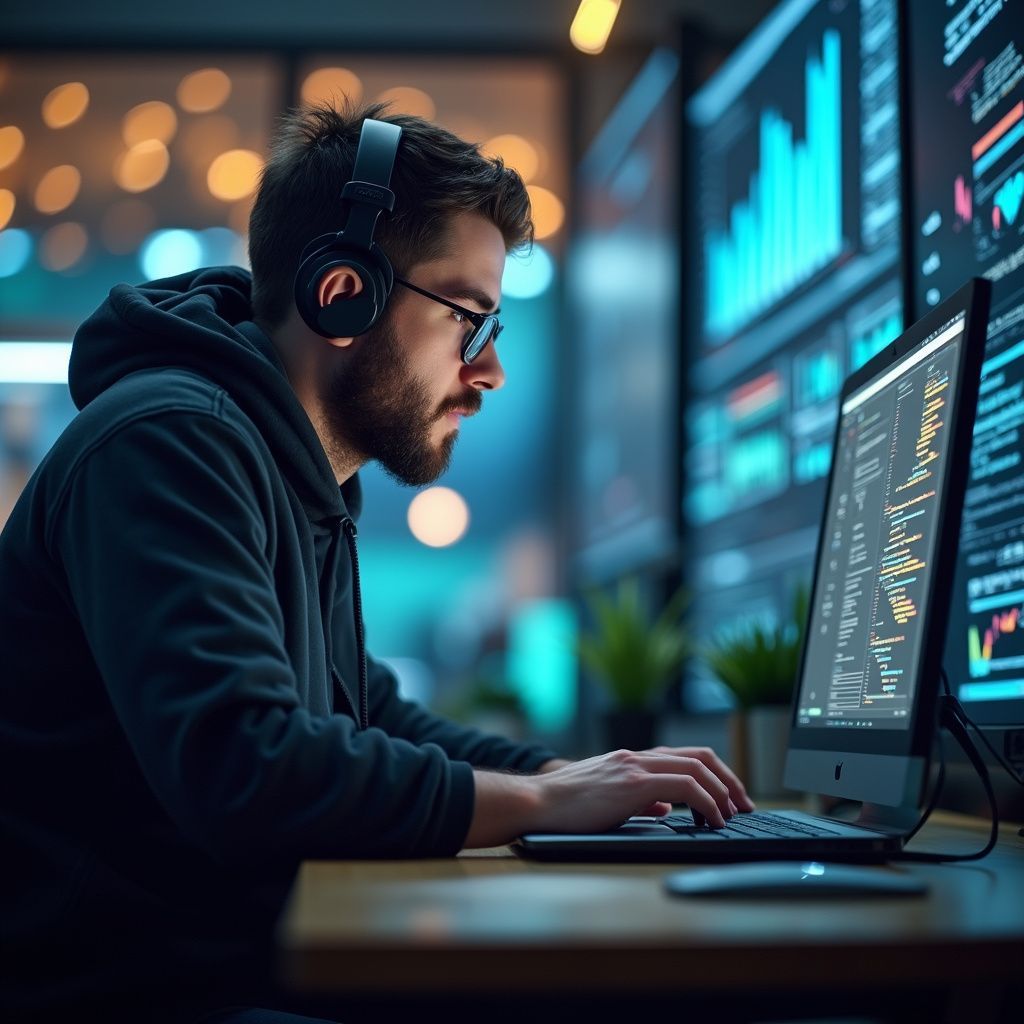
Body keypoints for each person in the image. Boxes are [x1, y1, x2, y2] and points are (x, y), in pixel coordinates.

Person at [0, 101, 754, 1023]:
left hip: (225, 964)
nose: (489, 371)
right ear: (342, 292)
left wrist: (568, 779)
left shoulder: (290, 476)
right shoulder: (167, 445)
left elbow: (372, 714)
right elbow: (248, 767)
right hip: (130, 996)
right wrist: (536, 802)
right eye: (469, 319)